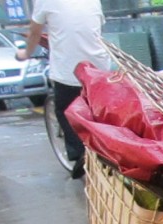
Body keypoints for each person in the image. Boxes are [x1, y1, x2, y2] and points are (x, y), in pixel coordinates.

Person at [15, 0, 113, 179]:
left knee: (65, 111)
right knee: (99, 112)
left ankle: (79, 152)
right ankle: (107, 151)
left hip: (70, 70)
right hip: (99, 68)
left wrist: (25, 54)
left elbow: (35, 33)